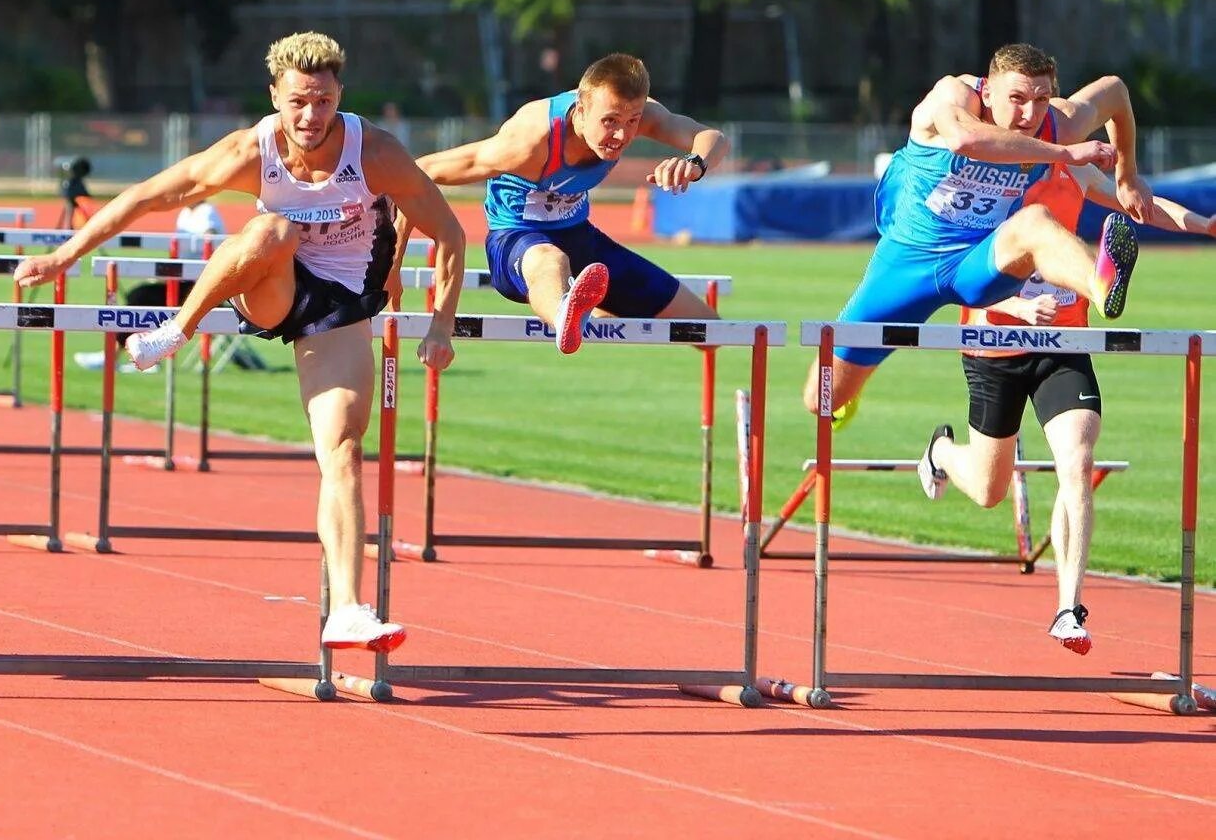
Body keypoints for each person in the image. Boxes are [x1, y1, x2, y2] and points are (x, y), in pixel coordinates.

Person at [16, 31, 466, 653]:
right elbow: (147, 196)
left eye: (325, 102)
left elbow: (449, 232)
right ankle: (177, 329)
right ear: (275, 96)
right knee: (272, 229)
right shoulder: (249, 151)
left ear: (341, 97)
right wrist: (63, 256)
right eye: (299, 102)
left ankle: (346, 608)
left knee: (342, 448)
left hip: (340, 304)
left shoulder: (376, 153)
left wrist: (442, 321)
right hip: (272, 286)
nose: (311, 117)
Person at [921, 141, 1216, 655]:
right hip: (994, 344)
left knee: (1077, 461)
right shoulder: (986, 179)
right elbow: (953, 268)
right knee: (990, 491)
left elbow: (1141, 203)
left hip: (1064, 345)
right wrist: (1014, 303)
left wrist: (1205, 225)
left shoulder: (1073, 173)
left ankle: (1068, 608)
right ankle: (941, 453)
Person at [803, 43, 1152, 421]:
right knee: (821, 399)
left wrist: (1127, 176)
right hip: (908, 262)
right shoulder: (953, 95)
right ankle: (850, 390)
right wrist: (1065, 154)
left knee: (1035, 221)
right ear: (987, 91)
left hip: (979, 260)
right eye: (1016, 98)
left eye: (1041, 99)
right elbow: (966, 141)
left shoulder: (1058, 123)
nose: (1029, 114)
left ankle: (1099, 282)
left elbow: (1115, 91)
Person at [394, 53, 729, 353]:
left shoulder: (639, 114)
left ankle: (588, 302)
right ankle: (565, 315)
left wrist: (694, 163)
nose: (621, 136)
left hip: (580, 239)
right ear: (580, 110)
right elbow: (420, 172)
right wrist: (391, 266)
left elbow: (712, 138)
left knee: (708, 330)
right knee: (550, 261)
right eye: (610, 121)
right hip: (517, 241)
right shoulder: (529, 140)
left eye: (632, 122)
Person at [72, 199, 227, 373]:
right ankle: (142, 354)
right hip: (180, 279)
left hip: (200, 286)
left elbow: (211, 241)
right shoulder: (185, 213)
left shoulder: (207, 212)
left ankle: (118, 356)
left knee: (142, 298)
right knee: (137, 294)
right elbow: (178, 252)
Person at [56, 156, 93, 229]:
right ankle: (68, 228)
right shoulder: (71, 180)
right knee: (69, 211)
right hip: (71, 196)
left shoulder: (75, 179)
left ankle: (68, 228)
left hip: (71, 195)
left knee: (72, 211)